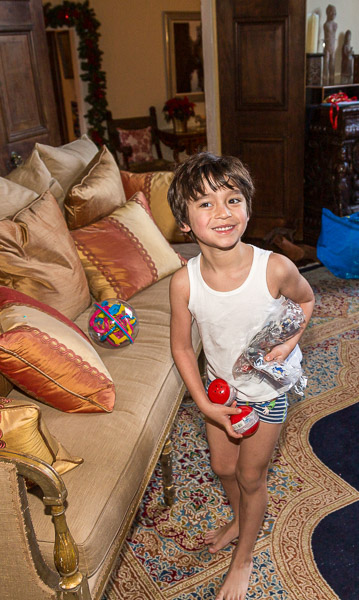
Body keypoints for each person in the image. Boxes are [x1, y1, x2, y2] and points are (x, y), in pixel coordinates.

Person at [167, 152, 315, 600]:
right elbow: (180, 346)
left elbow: (306, 302)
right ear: (186, 223)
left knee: (251, 476)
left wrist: (287, 344)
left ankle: (244, 557)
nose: (223, 212)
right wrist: (206, 404)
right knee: (222, 466)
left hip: (267, 392)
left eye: (232, 199)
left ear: (248, 209)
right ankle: (240, 519)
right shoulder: (184, 282)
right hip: (221, 394)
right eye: (206, 204)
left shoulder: (274, 268)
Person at [323, 4, 337, 84]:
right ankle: (325, 83)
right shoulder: (326, 25)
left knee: (332, 67)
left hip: (333, 48)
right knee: (326, 66)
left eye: (335, 13)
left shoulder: (335, 25)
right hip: (327, 47)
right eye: (332, 12)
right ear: (328, 13)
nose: (333, 14)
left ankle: (332, 83)